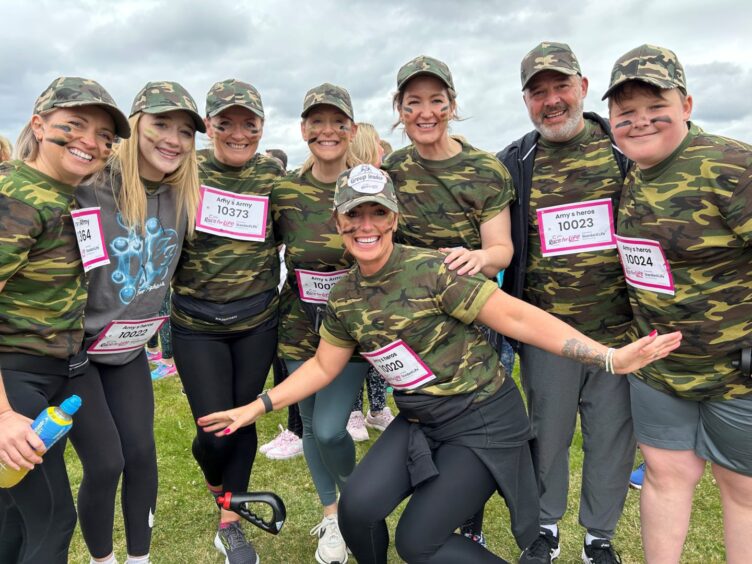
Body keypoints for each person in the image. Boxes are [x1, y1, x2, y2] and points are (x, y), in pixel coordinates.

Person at [198, 165, 682, 564]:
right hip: (420, 420)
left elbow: (516, 316)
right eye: (354, 215)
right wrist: (258, 406)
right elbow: (324, 366)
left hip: (482, 420)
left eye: (377, 214)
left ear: (392, 218)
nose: (366, 225)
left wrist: (608, 357)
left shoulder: (432, 270)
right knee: (358, 511)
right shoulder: (345, 295)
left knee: (417, 542)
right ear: (339, 222)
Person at [603, 44, 752, 564]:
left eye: (654, 106)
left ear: (686, 104)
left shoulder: (733, 166)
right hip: (660, 369)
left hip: (738, 373)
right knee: (666, 478)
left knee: (744, 490)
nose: (639, 121)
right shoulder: (629, 177)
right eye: (626, 112)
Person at [497, 42, 634, 564]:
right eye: (538, 91)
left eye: (560, 87)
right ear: (526, 99)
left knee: (611, 438)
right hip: (548, 333)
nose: (551, 100)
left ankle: (599, 538)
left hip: (620, 332)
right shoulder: (513, 162)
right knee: (546, 436)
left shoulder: (624, 148)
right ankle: (546, 531)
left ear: (582, 86)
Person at [381, 54, 515, 546]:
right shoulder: (393, 168)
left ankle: (470, 523)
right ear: (399, 108)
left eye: (436, 100)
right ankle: (435, 500)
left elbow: (502, 248)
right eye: (413, 102)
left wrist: (475, 257)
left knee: (477, 422)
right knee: (427, 413)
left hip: (476, 315)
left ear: (452, 105)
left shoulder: (485, 170)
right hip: (418, 323)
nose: (425, 111)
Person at [68, 81, 203, 564]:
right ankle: (103, 559)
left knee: (142, 455)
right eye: (161, 124)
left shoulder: (185, 195)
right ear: (135, 125)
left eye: (185, 131)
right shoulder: (89, 185)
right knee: (106, 463)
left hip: (127, 351)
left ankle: (140, 559)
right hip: (75, 352)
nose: (173, 138)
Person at [0, 76, 129, 564]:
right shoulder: (17, 195)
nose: (90, 142)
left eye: (103, 136)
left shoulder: (66, 192)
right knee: (51, 517)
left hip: (64, 367)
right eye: (72, 126)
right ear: (38, 124)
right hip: (16, 372)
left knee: (16, 513)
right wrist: (3, 415)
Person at [170, 78, 283, 564]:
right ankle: (219, 486)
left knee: (245, 415)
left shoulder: (276, 179)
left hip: (258, 319)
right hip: (197, 323)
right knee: (212, 431)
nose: (238, 133)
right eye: (226, 122)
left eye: (249, 123)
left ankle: (230, 521)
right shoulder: (181, 172)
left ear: (261, 126)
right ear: (209, 126)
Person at [271, 83, 366, 564]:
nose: (327, 130)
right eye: (317, 121)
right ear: (303, 128)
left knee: (331, 428)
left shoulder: (369, 183)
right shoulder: (285, 189)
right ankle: (333, 515)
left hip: (352, 332)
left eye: (337, 122)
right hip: (297, 328)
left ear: (351, 128)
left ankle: (357, 506)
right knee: (309, 426)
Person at [346, 122, 394, 442]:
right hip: (351, 273)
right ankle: (353, 410)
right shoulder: (345, 184)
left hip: (383, 274)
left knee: (379, 343)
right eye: (377, 143)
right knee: (352, 344)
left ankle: (377, 409)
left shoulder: (388, 182)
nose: (381, 148)